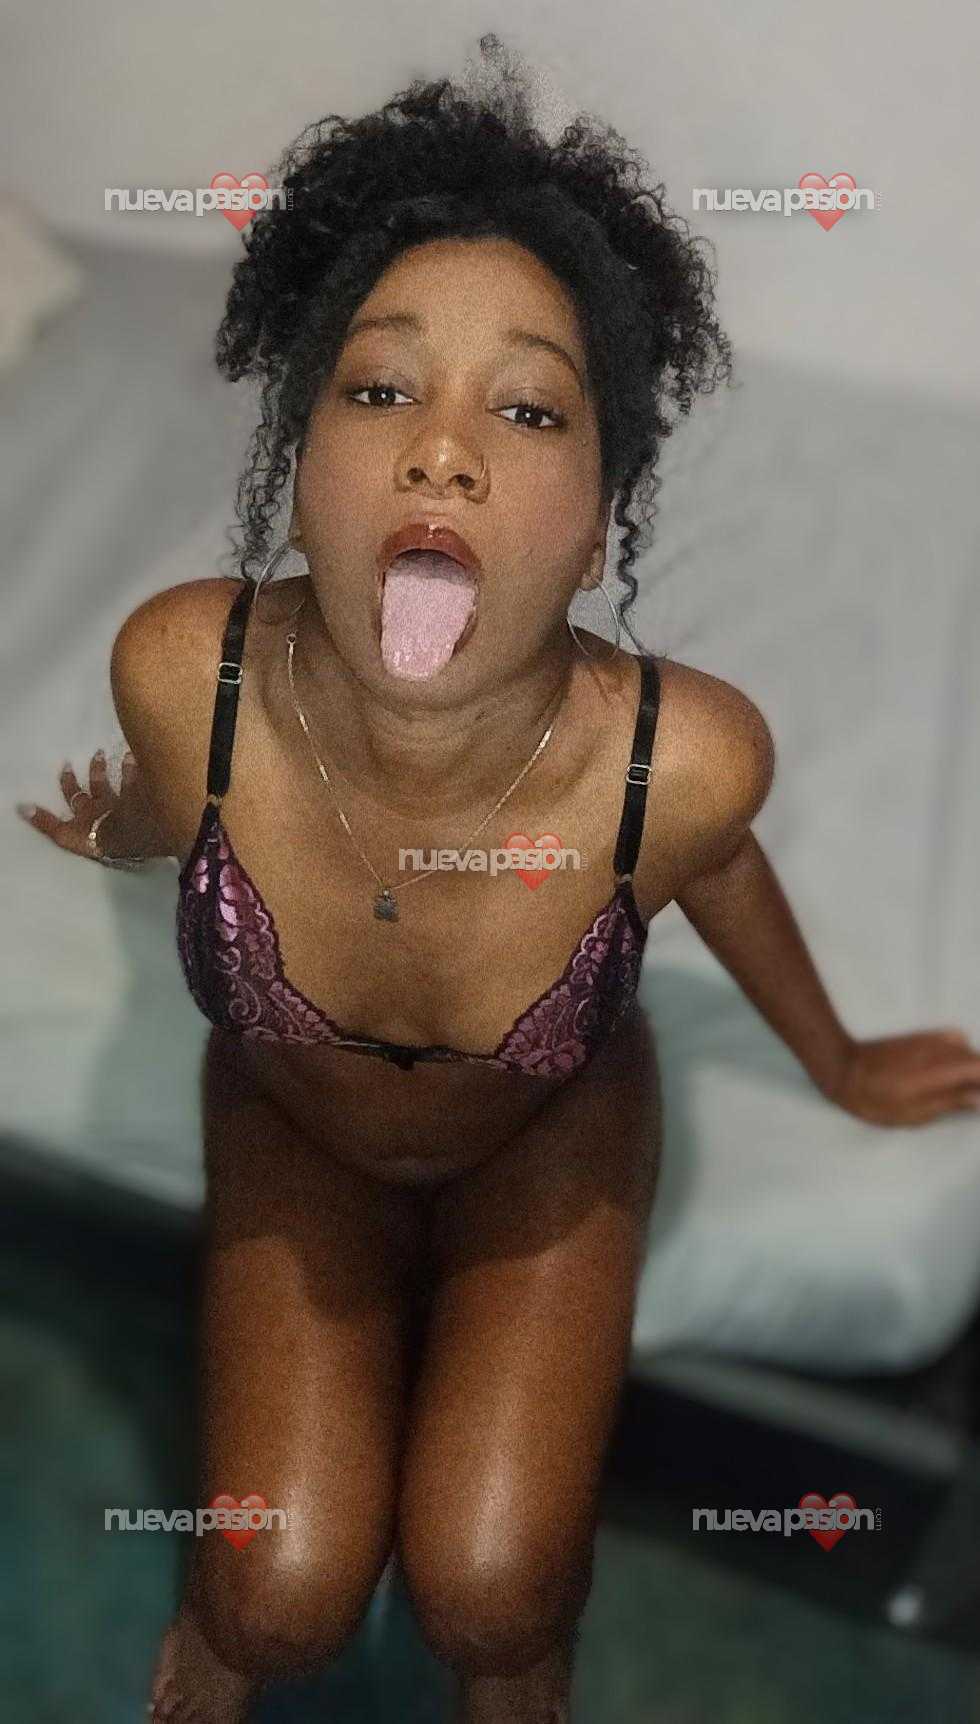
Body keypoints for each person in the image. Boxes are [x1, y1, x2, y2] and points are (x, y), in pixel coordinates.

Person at [16, 34, 980, 1724]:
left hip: (551, 1138)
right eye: (380, 391)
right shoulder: (184, 673)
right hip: (295, 1125)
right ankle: (214, 1640)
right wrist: (127, 837)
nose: (444, 453)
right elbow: (179, 807)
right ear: (297, 469)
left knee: (494, 1581)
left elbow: (726, 880)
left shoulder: (681, 759)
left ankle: (528, 1673)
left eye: (526, 411)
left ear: (597, 528)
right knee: (276, 1590)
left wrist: (838, 1063)